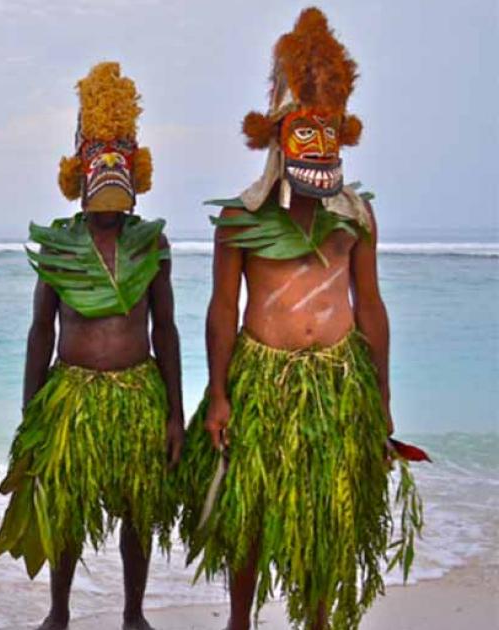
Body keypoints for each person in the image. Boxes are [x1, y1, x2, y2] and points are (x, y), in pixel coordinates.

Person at [177, 9, 422, 630]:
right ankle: (240, 621)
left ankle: (316, 622)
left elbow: (370, 305)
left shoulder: (356, 217)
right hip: (263, 380)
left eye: (328, 132)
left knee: (323, 519)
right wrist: (219, 396)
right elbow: (221, 310)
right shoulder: (239, 221)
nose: (318, 145)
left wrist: (381, 399)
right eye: (304, 132)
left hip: (336, 385)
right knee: (249, 515)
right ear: (278, 136)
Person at [0, 62, 184, 630]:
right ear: (79, 172)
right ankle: (59, 612)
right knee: (65, 510)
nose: (109, 174)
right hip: (71, 395)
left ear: (136, 170)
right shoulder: (60, 245)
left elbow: (164, 330)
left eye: (119, 161)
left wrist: (175, 411)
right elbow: (40, 332)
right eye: (99, 162)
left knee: (137, 511)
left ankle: (133, 614)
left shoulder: (152, 243)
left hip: (136, 393)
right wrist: (31, 416)